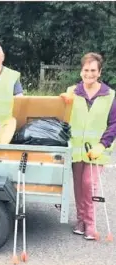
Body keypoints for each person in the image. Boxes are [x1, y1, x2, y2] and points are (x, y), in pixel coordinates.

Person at [60, 52, 116, 240]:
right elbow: (62, 117)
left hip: (96, 151)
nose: (89, 74)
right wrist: (62, 103)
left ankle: (90, 224)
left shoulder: (110, 95)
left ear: (99, 72)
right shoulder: (72, 92)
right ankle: (80, 220)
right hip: (76, 149)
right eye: (86, 70)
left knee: (89, 184)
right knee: (78, 186)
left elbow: (114, 123)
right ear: (81, 71)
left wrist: (102, 144)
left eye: (93, 70)